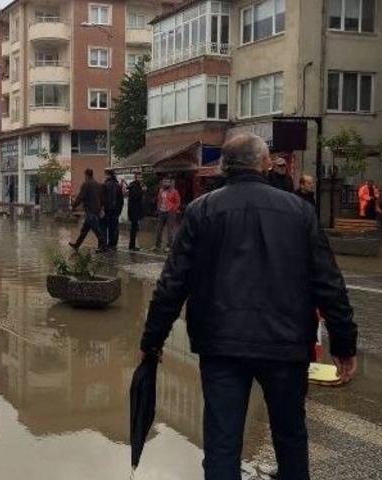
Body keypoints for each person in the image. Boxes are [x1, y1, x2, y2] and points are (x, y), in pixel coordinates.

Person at [139, 133, 357, 480]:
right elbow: (329, 282)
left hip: (221, 345)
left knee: (222, 444)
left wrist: (152, 341)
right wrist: (344, 344)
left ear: (224, 166)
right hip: (286, 345)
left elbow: (172, 284)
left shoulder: (201, 211)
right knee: (290, 438)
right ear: (266, 163)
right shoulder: (299, 211)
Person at [69, 168, 107, 252]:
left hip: (90, 210)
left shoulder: (86, 184)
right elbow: (102, 198)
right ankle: (77, 245)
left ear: (86, 175)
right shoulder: (98, 185)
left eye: (84, 175)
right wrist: (101, 208)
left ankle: (104, 246)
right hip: (96, 209)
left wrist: (73, 205)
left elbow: (81, 197)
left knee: (97, 230)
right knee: (84, 230)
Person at [153, 179, 181, 252]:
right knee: (159, 229)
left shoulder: (174, 191)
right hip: (162, 212)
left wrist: (173, 209)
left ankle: (169, 246)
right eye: (164, 182)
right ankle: (157, 245)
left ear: (170, 183)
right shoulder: (161, 190)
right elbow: (159, 200)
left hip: (170, 212)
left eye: (167, 182)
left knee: (170, 230)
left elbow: (178, 202)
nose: (165, 183)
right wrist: (158, 208)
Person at [101, 169, 124, 250]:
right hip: (115, 211)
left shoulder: (105, 185)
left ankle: (104, 244)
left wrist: (102, 209)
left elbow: (102, 199)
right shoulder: (118, 185)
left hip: (107, 210)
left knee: (104, 228)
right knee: (114, 227)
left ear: (108, 175)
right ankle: (113, 244)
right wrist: (119, 210)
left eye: (105, 174)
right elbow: (121, 200)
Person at [126, 173, 145, 251]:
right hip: (134, 210)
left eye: (141, 177)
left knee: (134, 228)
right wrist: (142, 191)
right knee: (134, 228)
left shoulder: (136, 185)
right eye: (138, 177)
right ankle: (132, 245)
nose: (140, 179)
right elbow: (135, 196)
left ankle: (132, 244)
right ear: (135, 178)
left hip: (135, 210)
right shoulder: (134, 186)